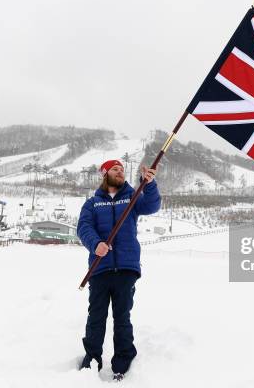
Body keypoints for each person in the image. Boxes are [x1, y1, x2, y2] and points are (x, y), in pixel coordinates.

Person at [77, 159, 160, 381]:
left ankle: (123, 360)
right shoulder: (92, 203)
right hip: (100, 268)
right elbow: (83, 228)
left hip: (126, 267)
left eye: (122, 170)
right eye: (115, 169)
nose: (120, 172)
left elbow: (152, 205)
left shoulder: (132, 197)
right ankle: (92, 358)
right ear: (105, 174)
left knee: (122, 316)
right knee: (96, 316)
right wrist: (96, 244)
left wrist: (149, 184)